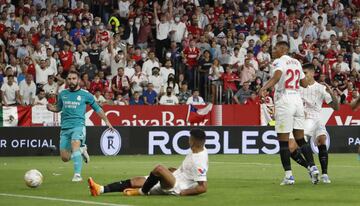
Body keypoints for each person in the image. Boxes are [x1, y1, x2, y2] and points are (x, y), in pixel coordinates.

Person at [259, 41, 319, 185]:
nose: (273, 50)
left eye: (275, 48)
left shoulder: (279, 61)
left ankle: (289, 176)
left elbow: (277, 75)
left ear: (282, 49)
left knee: (284, 142)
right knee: (300, 139)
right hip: (297, 101)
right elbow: (304, 84)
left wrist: (264, 87)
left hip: (284, 100)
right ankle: (313, 167)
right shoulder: (297, 63)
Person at [88, 128, 208, 196]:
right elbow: (188, 172)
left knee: (159, 168)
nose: (188, 139)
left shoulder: (199, 160)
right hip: (175, 178)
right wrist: (175, 171)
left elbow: (203, 187)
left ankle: (142, 192)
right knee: (136, 180)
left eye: (190, 138)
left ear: (193, 141)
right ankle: (101, 189)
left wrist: (184, 193)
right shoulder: (195, 150)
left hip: (176, 186)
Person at [47, 71, 113, 182]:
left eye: (73, 78)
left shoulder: (85, 94)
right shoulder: (63, 93)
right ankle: (82, 151)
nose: (71, 81)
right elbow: (58, 108)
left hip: (78, 126)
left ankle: (77, 175)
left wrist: (107, 121)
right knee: (65, 158)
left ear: (78, 80)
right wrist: (51, 108)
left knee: (75, 144)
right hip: (65, 127)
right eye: (69, 79)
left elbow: (97, 108)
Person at [288, 63, 339, 183]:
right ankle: (310, 167)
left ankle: (325, 174)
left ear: (312, 73)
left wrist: (331, 92)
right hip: (303, 120)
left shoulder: (321, 88)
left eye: (304, 73)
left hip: (317, 119)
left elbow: (336, 108)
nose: (302, 75)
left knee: (322, 140)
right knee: (291, 148)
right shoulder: (297, 88)